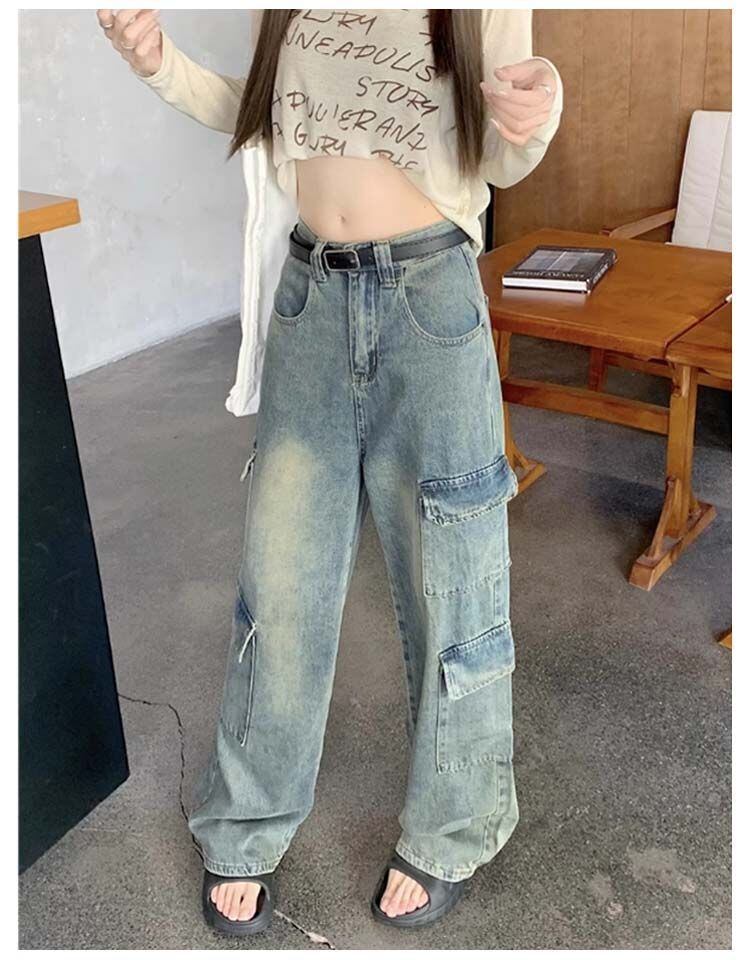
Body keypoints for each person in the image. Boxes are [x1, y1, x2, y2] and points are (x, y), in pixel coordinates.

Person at [97, 6, 563, 935]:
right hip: (310, 300)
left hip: (429, 299)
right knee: (280, 583)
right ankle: (248, 817)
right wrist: (157, 63)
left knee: (453, 582)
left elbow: (505, 153)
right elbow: (261, 112)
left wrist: (539, 106)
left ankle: (455, 826)